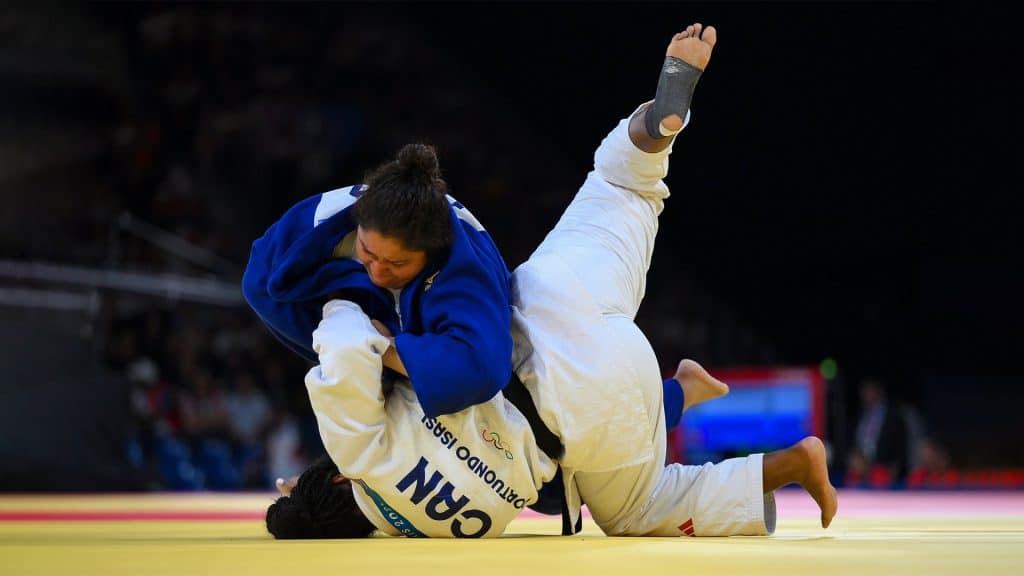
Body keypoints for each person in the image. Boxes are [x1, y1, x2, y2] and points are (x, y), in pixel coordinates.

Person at [265, 22, 838, 539]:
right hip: (548, 307)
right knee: (620, 190)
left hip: (596, 407)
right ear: (338, 482)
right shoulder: (359, 452)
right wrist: (355, 319)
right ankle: (652, 130)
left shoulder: (444, 531)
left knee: (636, 510)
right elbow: (343, 346)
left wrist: (309, 505)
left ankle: (764, 448)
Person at [242, 130, 514, 419]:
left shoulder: (465, 268)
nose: (379, 273)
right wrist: (340, 332)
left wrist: (381, 347)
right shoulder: (324, 218)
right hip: (376, 314)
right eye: (367, 253)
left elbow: (481, 369)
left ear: (431, 251)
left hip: (442, 331)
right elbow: (258, 281)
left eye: (396, 264)